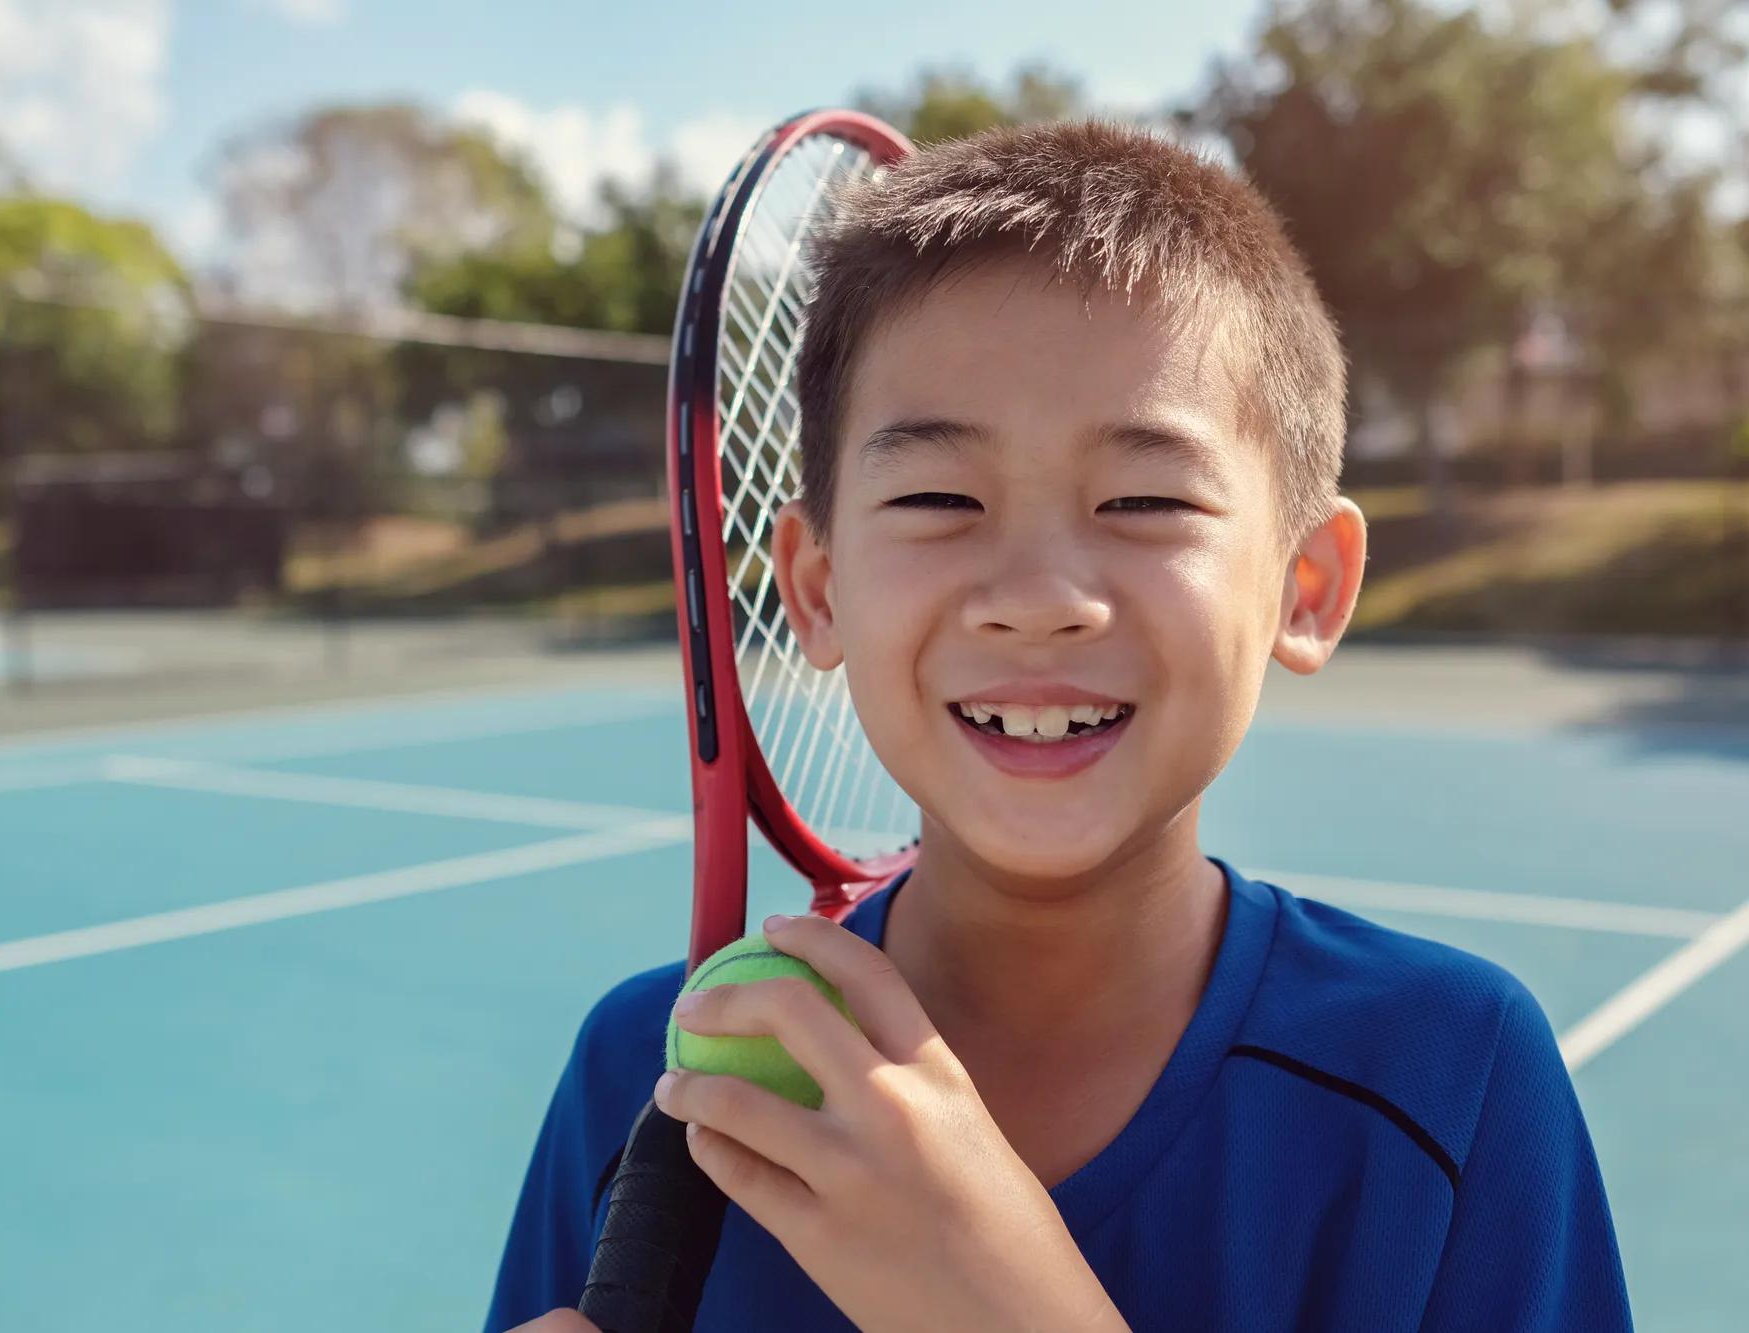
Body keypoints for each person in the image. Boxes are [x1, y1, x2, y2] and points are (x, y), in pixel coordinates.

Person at [487, 120, 1632, 1332]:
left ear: (1306, 586)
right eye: (937, 497)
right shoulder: (647, 1072)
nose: (1038, 600)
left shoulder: (1449, 1076)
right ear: (816, 590)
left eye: (1142, 499)